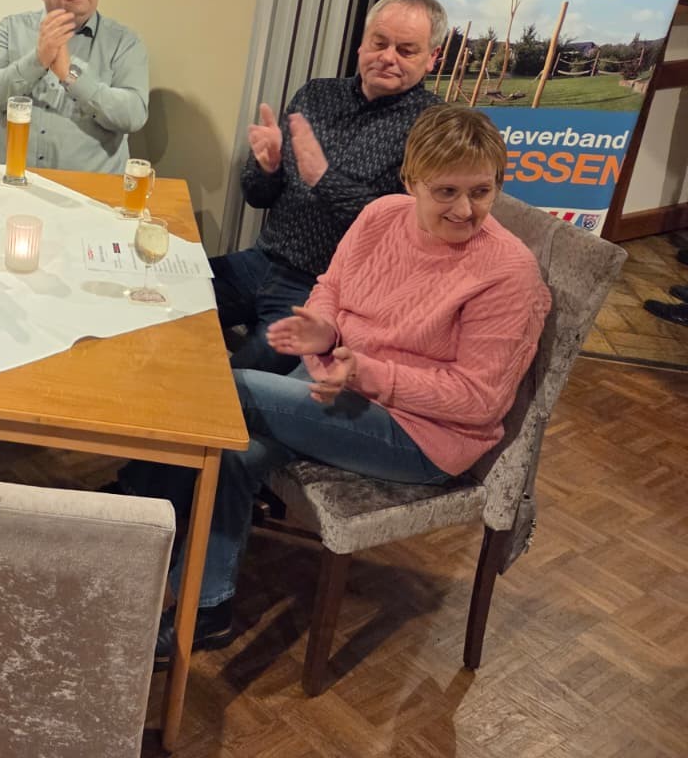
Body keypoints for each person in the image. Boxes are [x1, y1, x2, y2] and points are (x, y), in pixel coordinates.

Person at [116, 105, 550, 660]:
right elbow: (330, 288)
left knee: (228, 390)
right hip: (336, 385)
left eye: (482, 192)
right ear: (411, 181)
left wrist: (368, 372)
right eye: (446, 192)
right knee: (235, 450)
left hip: (421, 433)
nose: (465, 209)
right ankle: (207, 609)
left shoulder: (507, 273)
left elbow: (480, 400)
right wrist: (323, 329)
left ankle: (133, 524)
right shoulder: (381, 216)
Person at [212, 0, 445, 374]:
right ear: (362, 44)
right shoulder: (317, 95)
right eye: (379, 43)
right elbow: (257, 196)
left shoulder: (435, 127)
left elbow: (401, 230)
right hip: (260, 260)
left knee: (238, 382)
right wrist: (267, 167)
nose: (388, 57)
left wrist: (323, 179)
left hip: (326, 293)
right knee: (157, 303)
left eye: (406, 50)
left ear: (433, 58)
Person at [0, 0, 150, 173]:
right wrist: (37, 61)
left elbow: (133, 116)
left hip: (88, 187)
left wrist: (70, 75)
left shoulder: (125, 42)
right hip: (14, 178)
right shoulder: (11, 28)